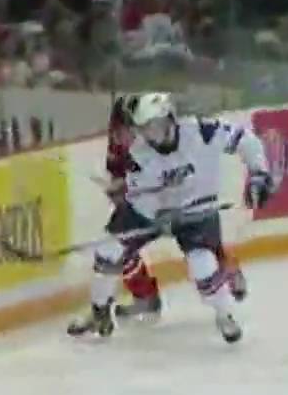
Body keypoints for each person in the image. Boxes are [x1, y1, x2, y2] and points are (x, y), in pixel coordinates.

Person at [68, 93, 275, 343]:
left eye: (154, 126)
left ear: (170, 120)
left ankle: (225, 314)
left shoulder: (201, 132)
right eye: (144, 129)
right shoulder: (139, 154)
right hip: (151, 211)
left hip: (196, 210)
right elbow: (141, 198)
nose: (150, 135)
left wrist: (258, 174)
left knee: (202, 265)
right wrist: (158, 214)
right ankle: (99, 311)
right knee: (108, 252)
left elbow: (247, 141)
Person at [99, 96, 248, 322]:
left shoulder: (179, 133)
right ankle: (144, 298)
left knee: (202, 240)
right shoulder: (125, 145)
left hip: (185, 199)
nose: (137, 134)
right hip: (151, 203)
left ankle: (226, 268)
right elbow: (124, 180)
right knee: (121, 244)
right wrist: (123, 191)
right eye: (133, 129)